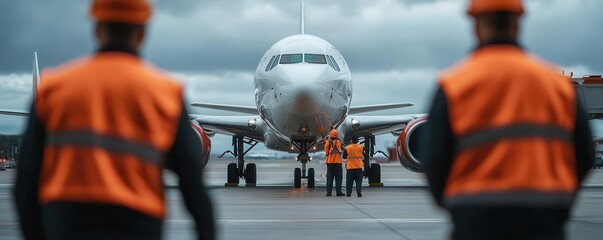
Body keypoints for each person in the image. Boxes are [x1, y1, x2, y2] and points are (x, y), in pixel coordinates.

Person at [13, 0, 215, 239]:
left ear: (97, 29)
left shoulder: (54, 89)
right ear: (141, 32)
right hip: (137, 223)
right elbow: (193, 185)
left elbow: (26, 180)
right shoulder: (165, 94)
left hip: (67, 222)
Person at [421, 0, 594, 239]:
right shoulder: (558, 85)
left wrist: (458, 208)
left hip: (476, 223)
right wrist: (558, 203)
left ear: (475, 23)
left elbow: (434, 160)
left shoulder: (454, 85)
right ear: (519, 22)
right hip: (544, 223)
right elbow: (584, 155)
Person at [324, 129, 345, 196]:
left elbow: (326, 152)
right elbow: (340, 151)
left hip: (329, 162)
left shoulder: (328, 142)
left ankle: (328, 193)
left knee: (329, 178)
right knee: (338, 178)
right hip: (337, 162)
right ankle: (338, 192)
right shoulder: (338, 142)